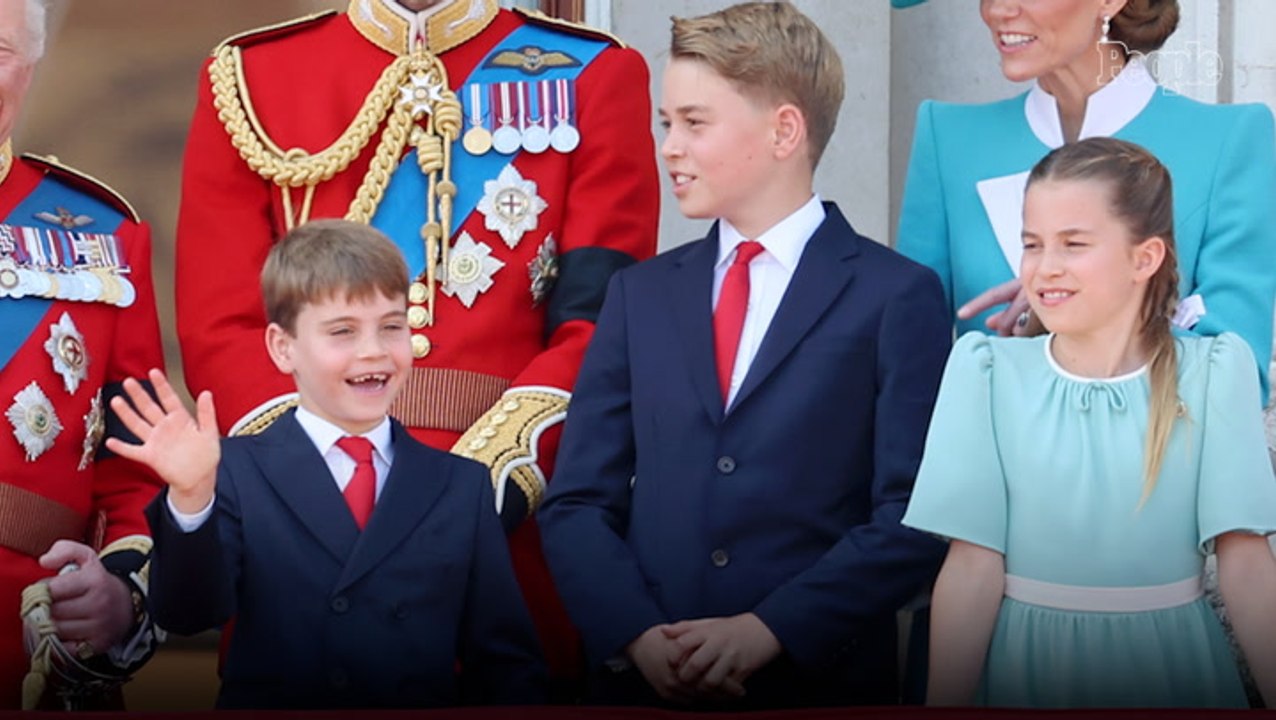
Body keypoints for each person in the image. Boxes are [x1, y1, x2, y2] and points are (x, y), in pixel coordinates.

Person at [173, 0, 659, 683]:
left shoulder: (595, 75)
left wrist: (479, 492)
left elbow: (602, 328)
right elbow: (220, 324)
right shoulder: (250, 77)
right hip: (301, 529)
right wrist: (304, 486)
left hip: (501, 525)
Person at [538, 1, 950, 709]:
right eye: (667, 123)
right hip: (647, 683)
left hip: (818, 680)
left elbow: (913, 515)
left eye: (695, 123)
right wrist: (636, 635)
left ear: (785, 129)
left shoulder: (896, 296)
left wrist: (770, 629)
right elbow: (576, 502)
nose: (669, 145)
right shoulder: (638, 295)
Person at [904, 137, 1276, 708]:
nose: (1045, 268)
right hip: (1023, 671)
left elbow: (1246, 565)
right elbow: (973, 567)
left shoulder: (1213, 373)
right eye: (1031, 245)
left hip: (1176, 671)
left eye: (1073, 245)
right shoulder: (986, 371)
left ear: (1144, 258)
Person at [112, 220, 545, 709]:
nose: (373, 351)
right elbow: (187, 613)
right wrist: (191, 497)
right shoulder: (234, 471)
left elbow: (507, 665)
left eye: (392, 326)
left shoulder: (460, 484)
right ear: (283, 347)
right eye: (343, 331)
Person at [894, 0, 1276, 402]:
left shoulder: (1228, 140)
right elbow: (913, 367)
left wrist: (1080, 312)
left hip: (1155, 461)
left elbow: (1237, 375)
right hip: (990, 462)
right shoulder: (949, 139)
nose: (997, 10)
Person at [0, 0, 164, 708]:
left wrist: (119, 590)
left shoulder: (101, 236)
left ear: (31, 68)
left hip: (24, 639)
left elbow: (140, 470)